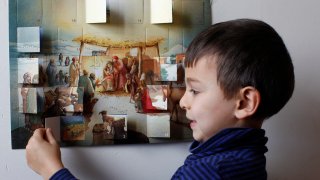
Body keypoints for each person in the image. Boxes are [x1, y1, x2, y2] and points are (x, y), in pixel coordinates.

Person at [25, 19, 295, 179]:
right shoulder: (242, 158)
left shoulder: (212, 172)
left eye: (195, 90)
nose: (184, 101)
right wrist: (180, 93)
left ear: (245, 103)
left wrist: (53, 170)